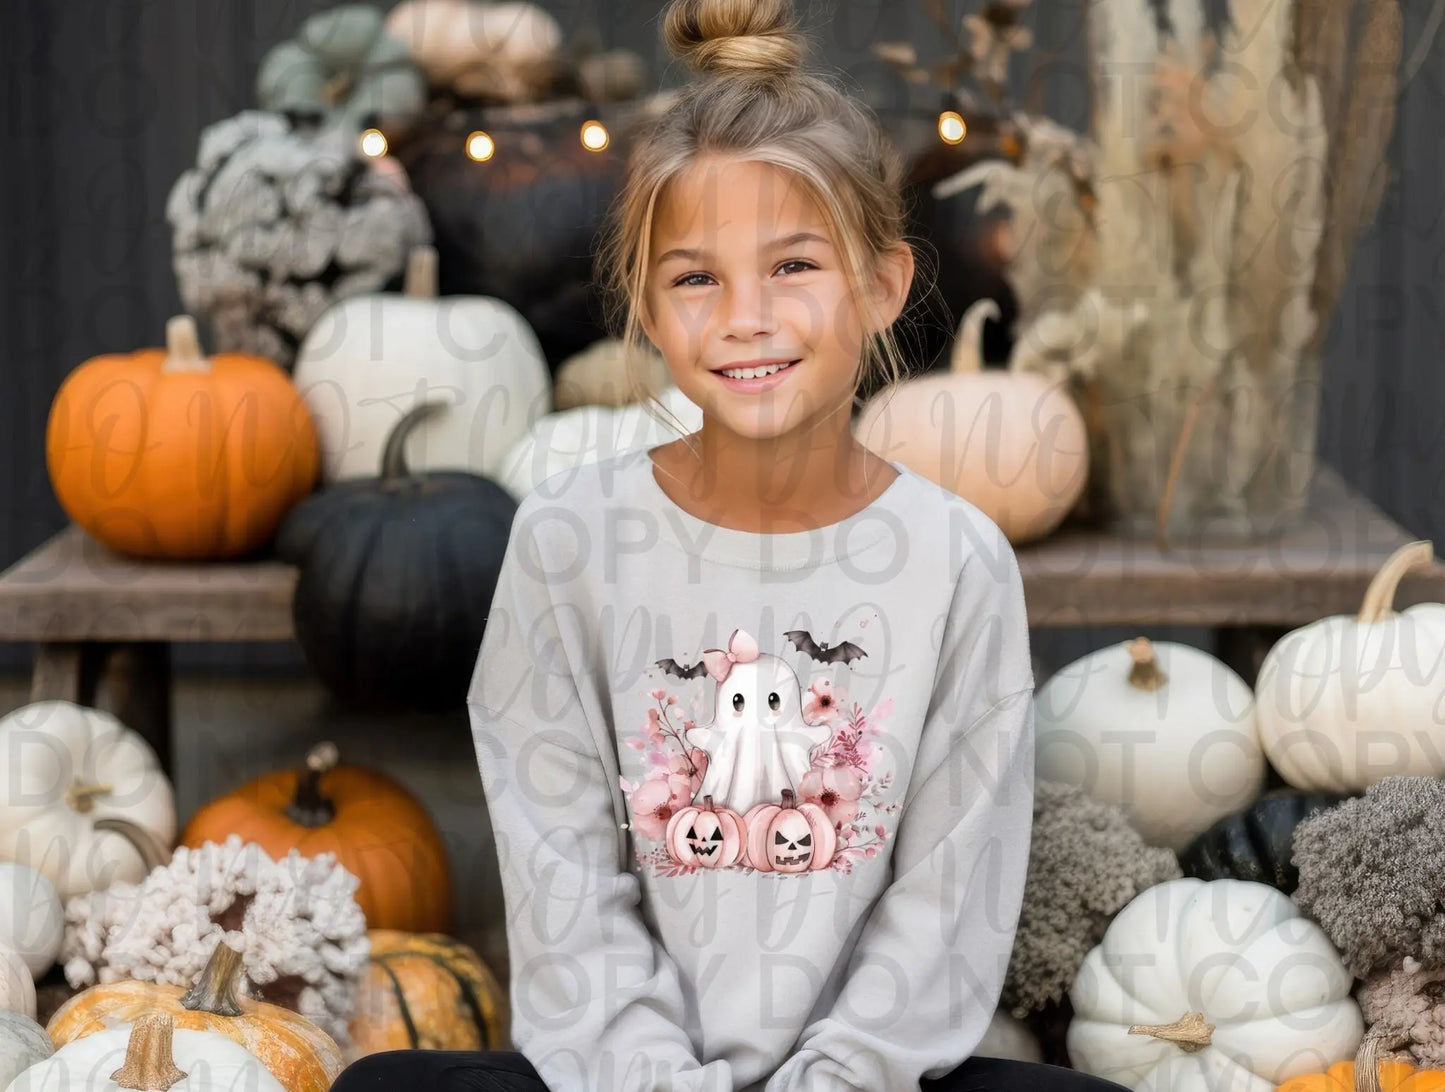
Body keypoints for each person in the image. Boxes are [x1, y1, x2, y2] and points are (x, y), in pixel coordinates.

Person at [332, 0, 1132, 1089]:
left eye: (794, 266)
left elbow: (945, 910)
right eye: (695, 277)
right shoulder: (568, 543)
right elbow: (568, 893)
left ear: (882, 286)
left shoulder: (955, 561)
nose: (743, 317)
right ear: (648, 310)